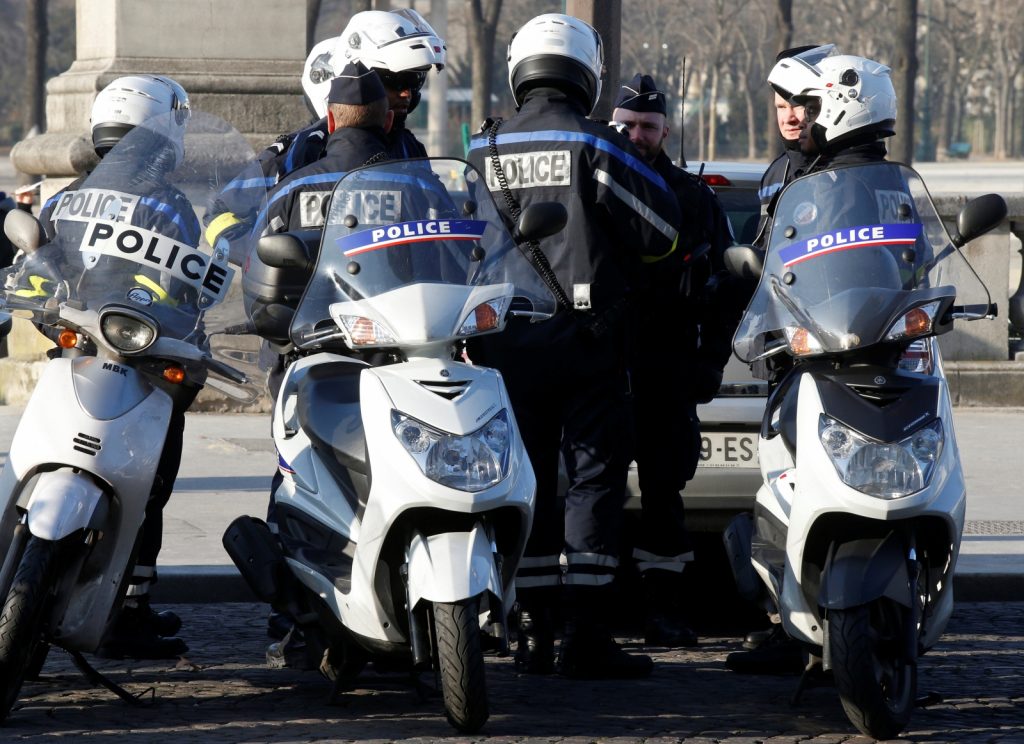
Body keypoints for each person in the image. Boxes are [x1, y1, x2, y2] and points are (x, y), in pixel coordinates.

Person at [465, 13, 681, 679]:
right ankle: (585, 633)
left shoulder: (483, 148)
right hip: (588, 344)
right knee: (592, 481)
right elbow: (661, 234)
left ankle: (529, 625)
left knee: (525, 481)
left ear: (521, 70)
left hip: (504, 341)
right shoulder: (597, 142)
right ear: (586, 74)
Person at [726, 52, 897, 675]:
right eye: (783, 105)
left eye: (804, 104)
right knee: (783, 487)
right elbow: (769, 264)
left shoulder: (858, 176)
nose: (795, 116)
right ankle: (786, 621)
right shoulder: (784, 174)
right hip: (794, 354)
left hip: (855, 350)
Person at [35, 75, 196, 659]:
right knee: (146, 484)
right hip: (142, 364)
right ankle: (128, 608)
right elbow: (192, 293)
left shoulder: (65, 197)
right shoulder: (172, 206)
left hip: (74, 352)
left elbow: (37, 266)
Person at [610, 73, 734, 648]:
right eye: (628, 125)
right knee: (596, 492)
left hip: (667, 366)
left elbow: (729, 288)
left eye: (648, 127)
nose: (637, 135)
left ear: (666, 130)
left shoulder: (694, 198)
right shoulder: (592, 183)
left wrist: (711, 362)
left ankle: (664, 609)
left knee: (664, 496)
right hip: (602, 367)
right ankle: (597, 612)